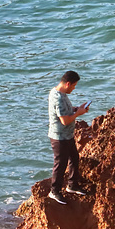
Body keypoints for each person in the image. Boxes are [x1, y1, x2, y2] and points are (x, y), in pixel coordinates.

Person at [47, 70, 90, 204]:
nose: (74, 88)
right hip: (59, 137)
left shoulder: (60, 93)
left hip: (67, 135)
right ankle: (54, 192)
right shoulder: (58, 98)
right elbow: (64, 120)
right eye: (74, 86)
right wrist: (79, 114)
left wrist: (77, 109)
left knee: (74, 158)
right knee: (60, 164)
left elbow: (65, 111)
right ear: (67, 84)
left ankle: (72, 185)